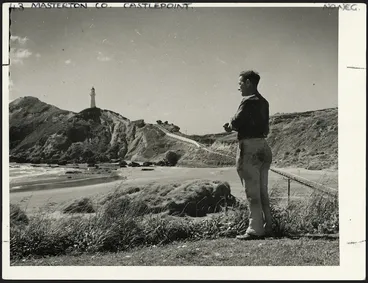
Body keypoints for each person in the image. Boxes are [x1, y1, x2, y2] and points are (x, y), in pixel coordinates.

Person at [223, 70, 273, 240]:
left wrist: (230, 124)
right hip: (263, 147)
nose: (239, 88)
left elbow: (236, 122)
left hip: (249, 148)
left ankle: (255, 229)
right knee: (262, 190)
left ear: (249, 83)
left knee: (252, 191)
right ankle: (269, 226)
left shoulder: (247, 102)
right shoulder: (264, 102)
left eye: (240, 84)